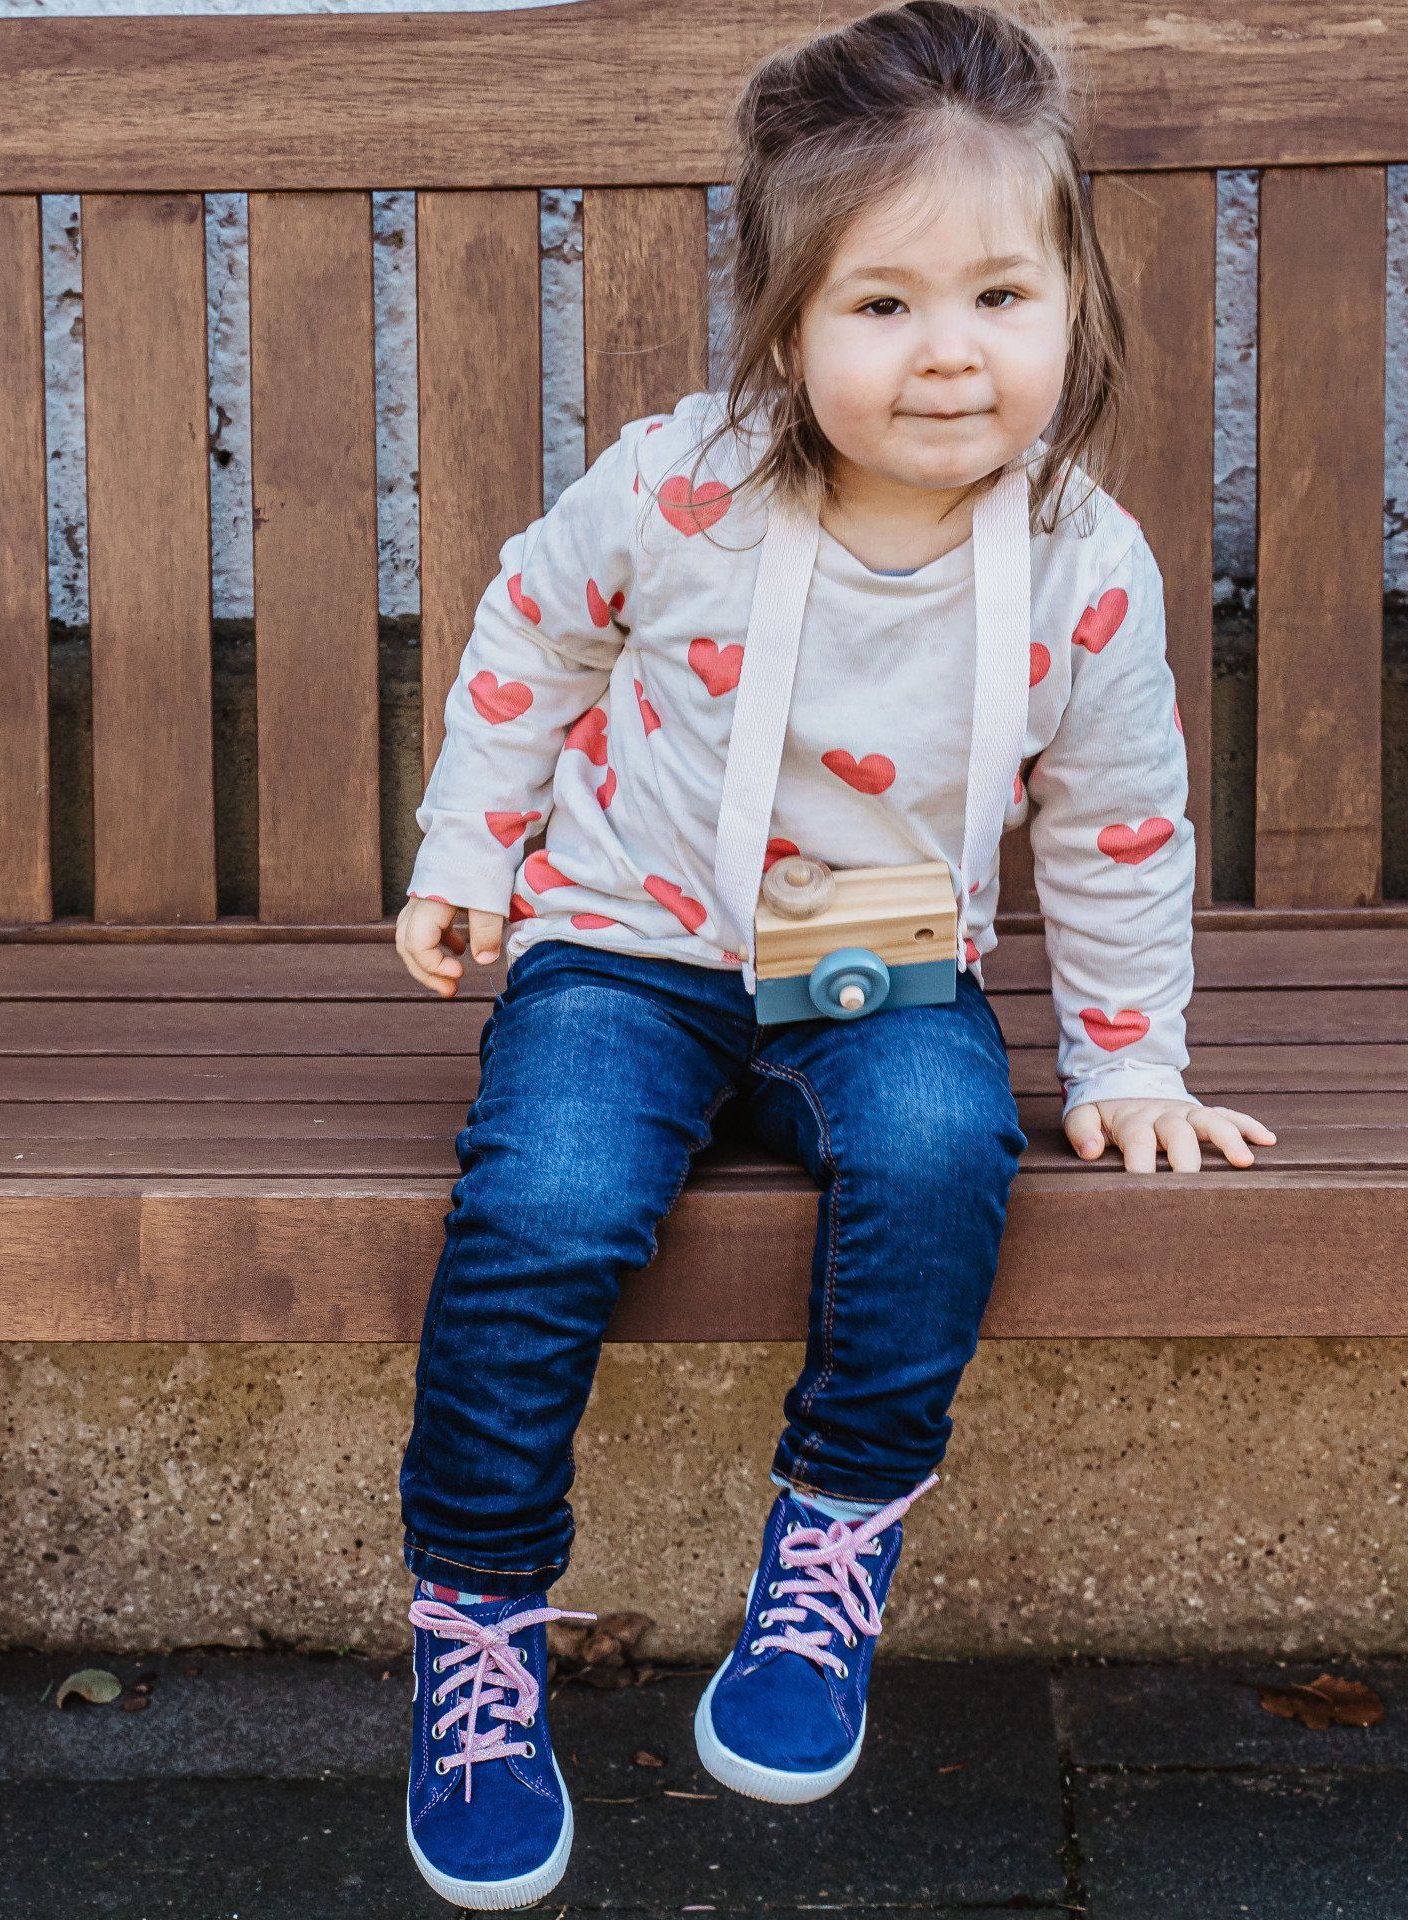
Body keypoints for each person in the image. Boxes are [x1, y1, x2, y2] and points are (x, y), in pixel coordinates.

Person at [390, 0, 1276, 1903]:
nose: (950, 351)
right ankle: (476, 1626)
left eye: (1000, 296)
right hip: (627, 953)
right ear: (787, 325)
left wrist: (1129, 1058)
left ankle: (831, 1548)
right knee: (545, 1201)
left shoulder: (1085, 563)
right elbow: (537, 631)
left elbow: (1117, 819)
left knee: (949, 1145)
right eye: (882, 303)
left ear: (1073, 305)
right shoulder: (684, 486)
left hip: (882, 977)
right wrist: (469, 850)